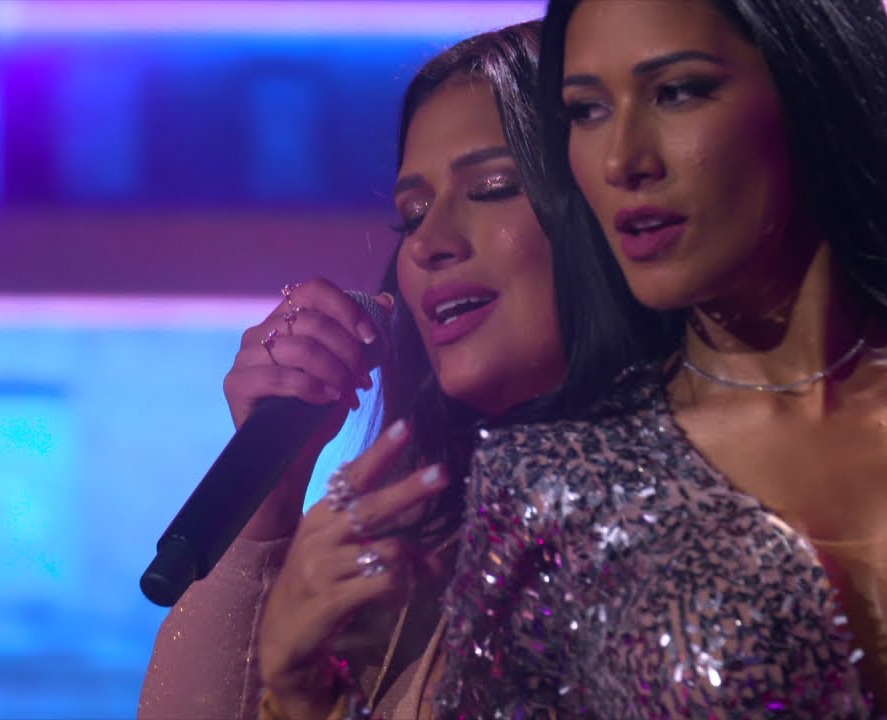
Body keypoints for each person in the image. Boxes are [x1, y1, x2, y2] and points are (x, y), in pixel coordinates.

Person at [435, 0, 887, 718]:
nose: (622, 160)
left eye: (678, 92)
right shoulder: (548, 487)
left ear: (816, 85)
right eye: (587, 111)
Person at [137, 19, 666, 720]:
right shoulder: (398, 546)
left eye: (492, 187)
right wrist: (269, 501)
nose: (427, 244)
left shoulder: (706, 514)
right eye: (412, 215)